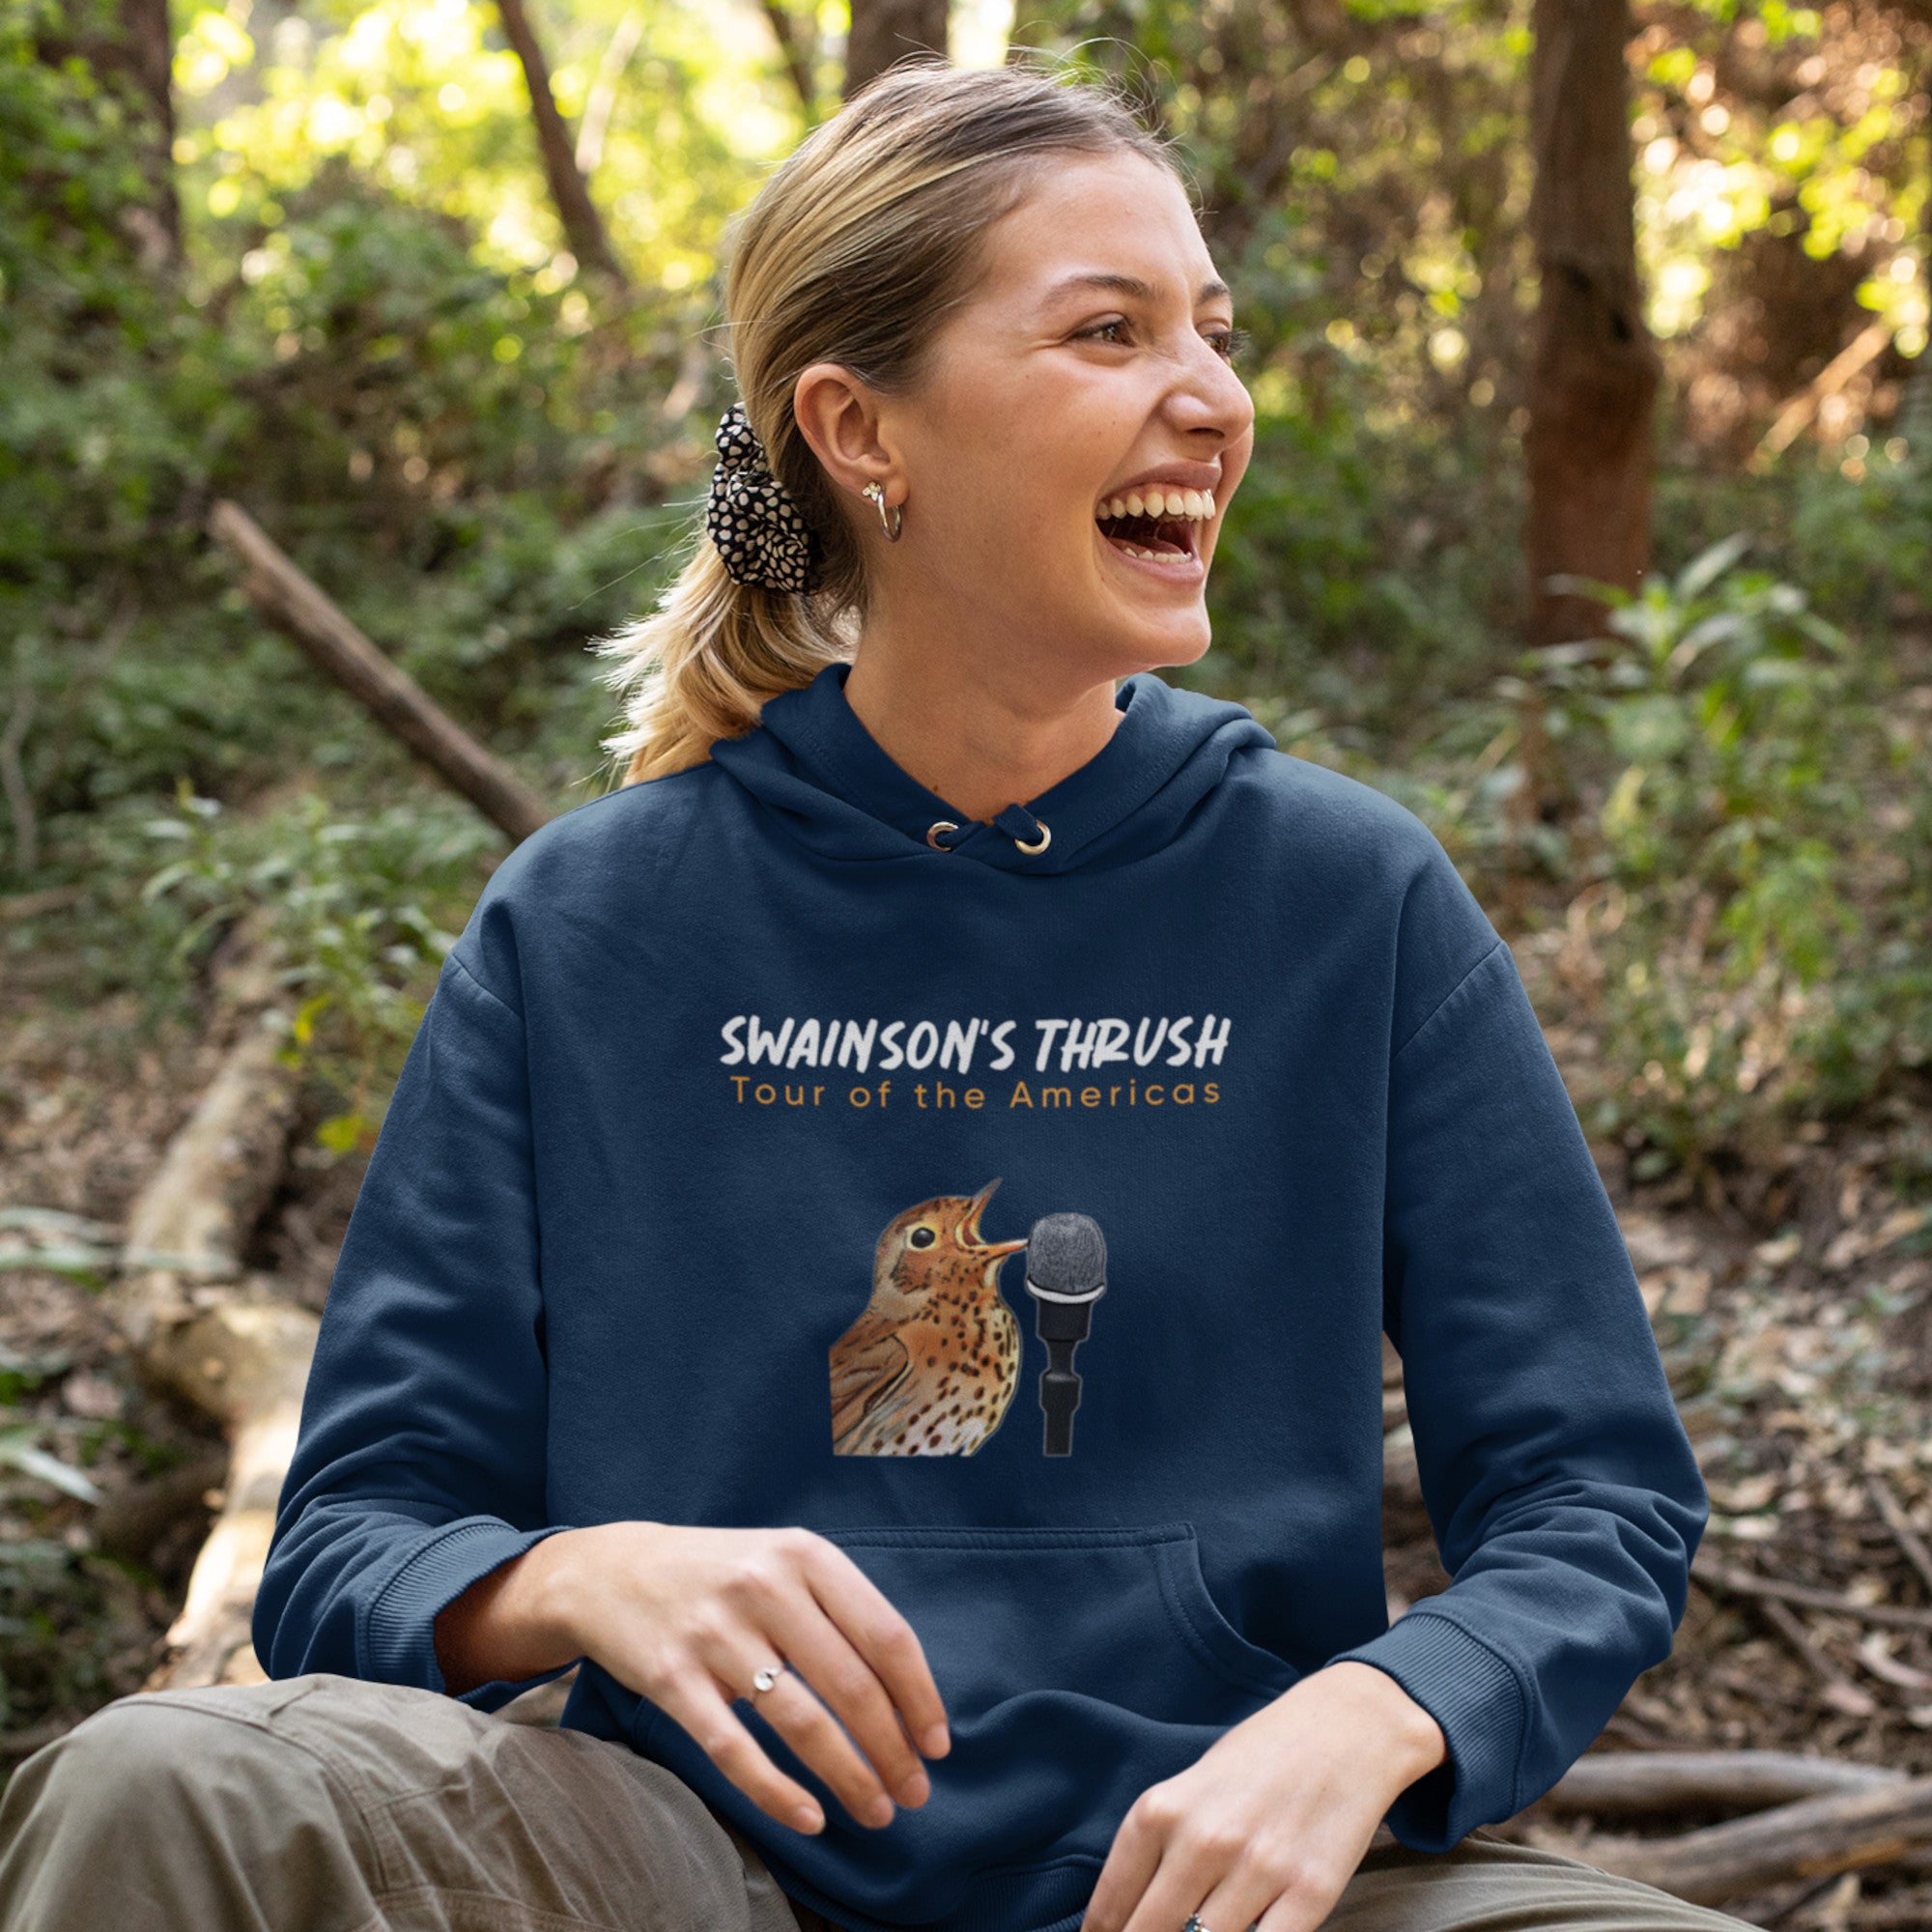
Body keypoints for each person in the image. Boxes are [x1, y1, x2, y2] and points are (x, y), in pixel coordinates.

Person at [0, 53, 1761, 1932]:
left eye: (1211, 332)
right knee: (159, 1784)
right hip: (685, 1863)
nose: (1213, 400)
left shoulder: (1347, 899)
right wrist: (586, 1576)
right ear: (861, 429)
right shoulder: (593, 926)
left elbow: (1594, 1496)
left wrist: (1371, 1710)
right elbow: (352, 1533)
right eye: (1108, 329)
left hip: (1215, 1881)